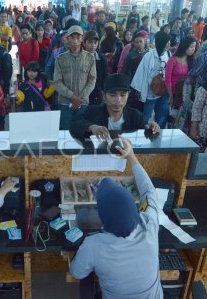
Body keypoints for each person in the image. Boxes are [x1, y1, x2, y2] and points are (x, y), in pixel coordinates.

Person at [70, 138, 163, 298]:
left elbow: (76, 273)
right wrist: (131, 156)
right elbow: (149, 190)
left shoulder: (93, 245)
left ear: (102, 217)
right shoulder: (150, 224)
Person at [70, 74, 159, 139]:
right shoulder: (92, 112)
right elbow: (74, 123)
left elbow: (144, 132)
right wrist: (92, 127)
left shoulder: (135, 116)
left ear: (128, 95)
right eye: (113, 95)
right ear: (104, 95)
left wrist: (151, 128)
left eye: (123, 95)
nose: (118, 100)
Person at [54, 25, 96, 130]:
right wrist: (72, 97)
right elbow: (57, 82)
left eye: (78, 37)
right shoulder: (60, 58)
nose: (75, 40)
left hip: (83, 103)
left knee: (82, 132)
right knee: (66, 132)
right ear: (67, 39)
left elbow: (92, 80)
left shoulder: (90, 58)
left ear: (82, 39)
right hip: (65, 104)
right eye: (72, 37)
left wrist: (79, 99)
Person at [131, 31, 171, 128]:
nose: (169, 44)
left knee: (162, 113)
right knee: (146, 115)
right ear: (161, 42)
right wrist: (139, 89)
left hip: (163, 90)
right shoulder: (148, 56)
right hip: (150, 90)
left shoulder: (168, 54)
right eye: (167, 42)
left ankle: (158, 132)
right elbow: (141, 73)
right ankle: (142, 131)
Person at [165, 36, 196, 109]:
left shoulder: (191, 61)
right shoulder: (172, 60)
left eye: (194, 47)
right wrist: (171, 95)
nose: (193, 49)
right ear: (185, 46)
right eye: (191, 47)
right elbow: (167, 79)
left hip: (185, 93)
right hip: (173, 92)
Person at [84, 30, 107, 105]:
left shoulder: (102, 58)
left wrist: (103, 91)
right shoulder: (79, 58)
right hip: (82, 94)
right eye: (90, 42)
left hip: (97, 94)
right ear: (84, 43)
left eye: (95, 42)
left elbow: (105, 76)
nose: (93, 45)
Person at [190, 69, 207, 152]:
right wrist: (194, 128)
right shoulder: (204, 89)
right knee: (198, 155)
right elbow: (196, 109)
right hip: (203, 131)